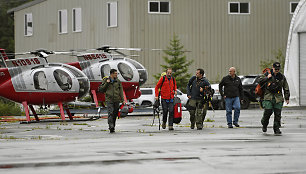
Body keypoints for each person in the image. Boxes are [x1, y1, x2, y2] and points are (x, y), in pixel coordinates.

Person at [258, 62, 290, 135]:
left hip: (278, 97)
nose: (277, 70)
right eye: (275, 69)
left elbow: (286, 87)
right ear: (272, 68)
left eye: (278, 69)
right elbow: (259, 81)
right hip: (268, 96)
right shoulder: (267, 74)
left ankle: (276, 128)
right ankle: (264, 124)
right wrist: (267, 78)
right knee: (268, 111)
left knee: (278, 113)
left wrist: (287, 97)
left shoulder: (281, 77)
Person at [98, 69, 125, 133]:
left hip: (116, 100)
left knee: (115, 114)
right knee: (110, 113)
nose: (116, 74)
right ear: (111, 74)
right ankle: (111, 126)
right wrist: (107, 83)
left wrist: (123, 100)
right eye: (115, 73)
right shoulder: (106, 80)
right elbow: (101, 89)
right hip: (109, 99)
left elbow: (121, 91)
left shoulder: (118, 81)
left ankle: (113, 126)